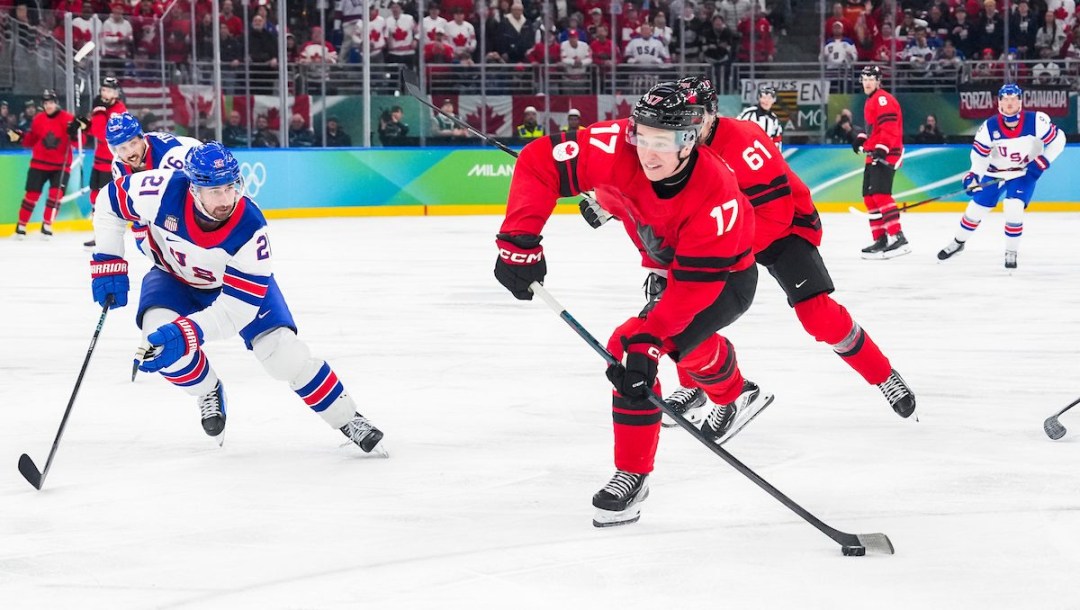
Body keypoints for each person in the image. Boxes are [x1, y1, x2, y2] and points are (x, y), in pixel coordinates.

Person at [494, 83, 769, 527]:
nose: (649, 152)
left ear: (690, 140)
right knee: (683, 345)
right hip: (667, 271)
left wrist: (648, 342)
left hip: (723, 281)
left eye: (663, 141)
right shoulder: (614, 147)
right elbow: (538, 161)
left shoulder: (715, 191)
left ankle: (633, 475)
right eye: (642, 136)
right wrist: (518, 242)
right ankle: (737, 393)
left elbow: (694, 289)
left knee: (635, 348)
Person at [89, 141, 386, 452]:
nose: (226, 199)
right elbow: (110, 201)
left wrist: (189, 332)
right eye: (215, 190)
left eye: (230, 187)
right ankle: (208, 391)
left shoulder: (251, 229)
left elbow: (234, 312)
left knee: (282, 354)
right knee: (158, 342)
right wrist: (108, 259)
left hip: (232, 288)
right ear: (193, 189)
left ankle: (347, 417)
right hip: (173, 277)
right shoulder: (160, 190)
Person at [662, 76, 915, 424]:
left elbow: (776, 215)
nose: (688, 123)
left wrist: (725, 249)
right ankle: (695, 384)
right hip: (729, 233)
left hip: (784, 228)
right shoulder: (681, 144)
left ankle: (884, 376)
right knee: (680, 302)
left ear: (711, 113)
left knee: (818, 316)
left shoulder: (744, 140)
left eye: (696, 114)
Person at [937, 84, 1065, 270]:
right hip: (995, 173)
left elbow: (1059, 139)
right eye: (1006, 99)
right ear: (1000, 103)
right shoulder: (989, 127)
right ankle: (958, 242)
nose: (1010, 103)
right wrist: (974, 176)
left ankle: (1011, 251)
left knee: (1014, 207)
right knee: (975, 210)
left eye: (1014, 99)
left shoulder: (1036, 121)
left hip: (1022, 173)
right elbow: (979, 156)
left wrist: (1043, 161)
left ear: (1020, 101)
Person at [852, 65, 908, 260]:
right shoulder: (871, 101)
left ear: (878, 81)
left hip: (887, 153)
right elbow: (872, 129)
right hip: (875, 154)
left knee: (881, 194)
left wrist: (882, 149)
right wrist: (861, 138)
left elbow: (889, 127)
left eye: (871, 78)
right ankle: (881, 239)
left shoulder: (883, 99)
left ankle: (898, 237)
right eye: (864, 78)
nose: (867, 82)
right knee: (869, 197)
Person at [11, 90, 76, 239]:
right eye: (46, 103)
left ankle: (47, 225)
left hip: (61, 165)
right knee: (31, 196)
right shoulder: (38, 119)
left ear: (56, 103)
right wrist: (21, 138)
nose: (49, 106)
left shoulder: (67, 119)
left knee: (55, 195)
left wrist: (75, 132)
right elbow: (32, 140)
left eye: (51, 103)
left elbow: (80, 141)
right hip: (39, 164)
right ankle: (21, 226)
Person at [75, 76, 128, 248]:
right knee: (94, 197)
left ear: (115, 93)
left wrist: (97, 113)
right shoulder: (104, 108)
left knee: (106, 201)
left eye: (108, 90)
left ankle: (108, 235)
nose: (104, 93)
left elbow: (102, 134)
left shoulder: (118, 110)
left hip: (111, 163)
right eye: (103, 90)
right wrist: (86, 126)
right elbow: (95, 130)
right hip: (98, 161)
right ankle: (98, 234)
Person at [736, 85, 783, 150]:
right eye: (763, 97)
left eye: (769, 98)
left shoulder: (774, 119)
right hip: (744, 151)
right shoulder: (749, 113)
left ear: (774, 100)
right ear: (759, 98)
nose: (766, 101)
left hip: (764, 155)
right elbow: (735, 129)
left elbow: (777, 140)